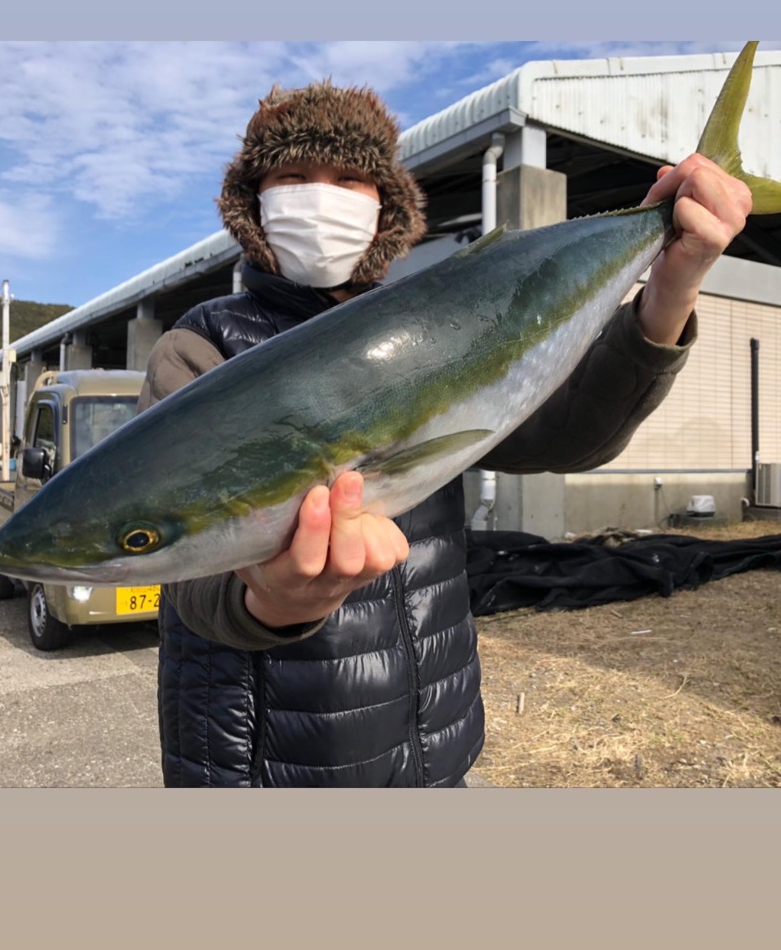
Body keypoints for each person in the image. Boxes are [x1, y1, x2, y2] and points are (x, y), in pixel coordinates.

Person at [137, 79, 751, 788]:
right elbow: (186, 569)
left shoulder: (436, 328)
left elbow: (570, 431)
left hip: (433, 750)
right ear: (256, 203)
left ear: (384, 205)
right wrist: (267, 603)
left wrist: (671, 285)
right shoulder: (200, 346)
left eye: (347, 179)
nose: (319, 197)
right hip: (259, 767)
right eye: (293, 177)